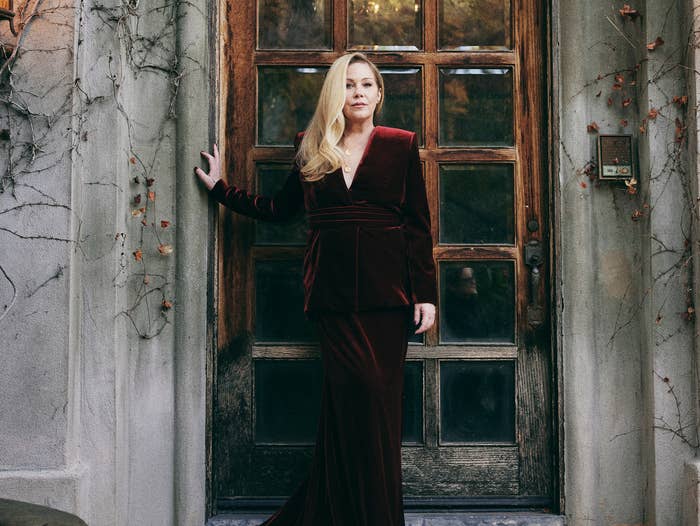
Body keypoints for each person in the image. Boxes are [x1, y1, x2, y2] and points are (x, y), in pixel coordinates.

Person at [195, 51, 437, 526]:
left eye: (368, 85)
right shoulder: (311, 145)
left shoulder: (401, 145)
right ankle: (338, 512)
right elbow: (279, 209)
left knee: (379, 410)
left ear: (379, 94)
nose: (359, 93)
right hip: (332, 302)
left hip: (388, 301)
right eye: (349, 85)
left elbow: (418, 226)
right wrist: (222, 189)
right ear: (336, 93)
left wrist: (425, 293)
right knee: (348, 406)